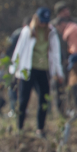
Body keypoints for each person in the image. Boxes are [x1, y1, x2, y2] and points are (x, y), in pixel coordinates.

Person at [10, 7, 63, 137]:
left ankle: (40, 128)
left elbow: (56, 54)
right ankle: (19, 127)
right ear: (36, 18)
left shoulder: (51, 33)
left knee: (44, 100)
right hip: (28, 70)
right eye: (41, 21)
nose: (43, 24)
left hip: (44, 70)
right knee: (23, 99)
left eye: (46, 21)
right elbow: (18, 51)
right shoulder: (27, 31)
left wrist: (59, 73)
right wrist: (13, 70)